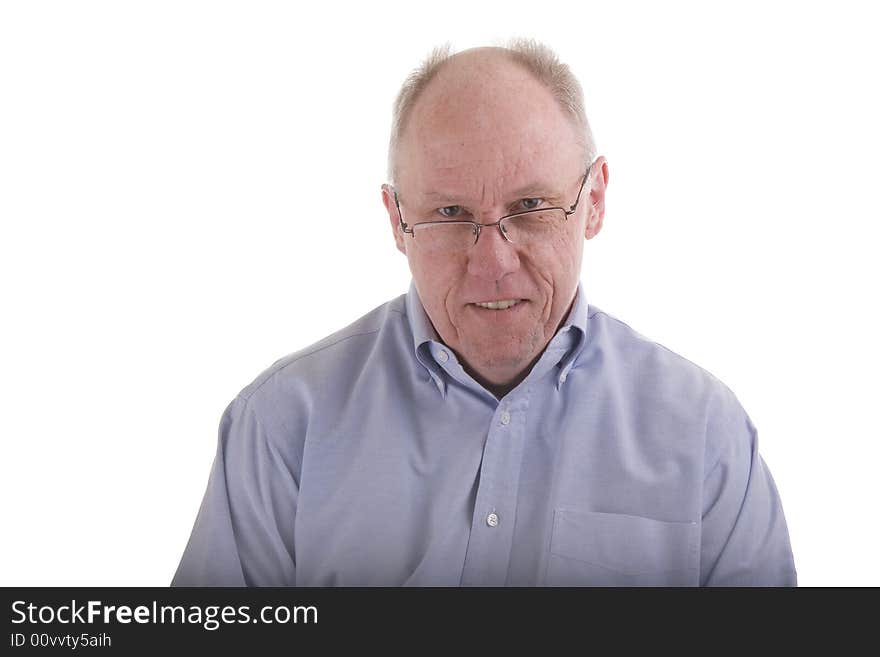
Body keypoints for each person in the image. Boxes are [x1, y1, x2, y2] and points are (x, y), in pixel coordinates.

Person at [171, 39, 797, 586]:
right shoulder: (282, 427)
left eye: (530, 206)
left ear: (595, 201)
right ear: (397, 220)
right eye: (449, 214)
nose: (492, 262)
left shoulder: (706, 434)